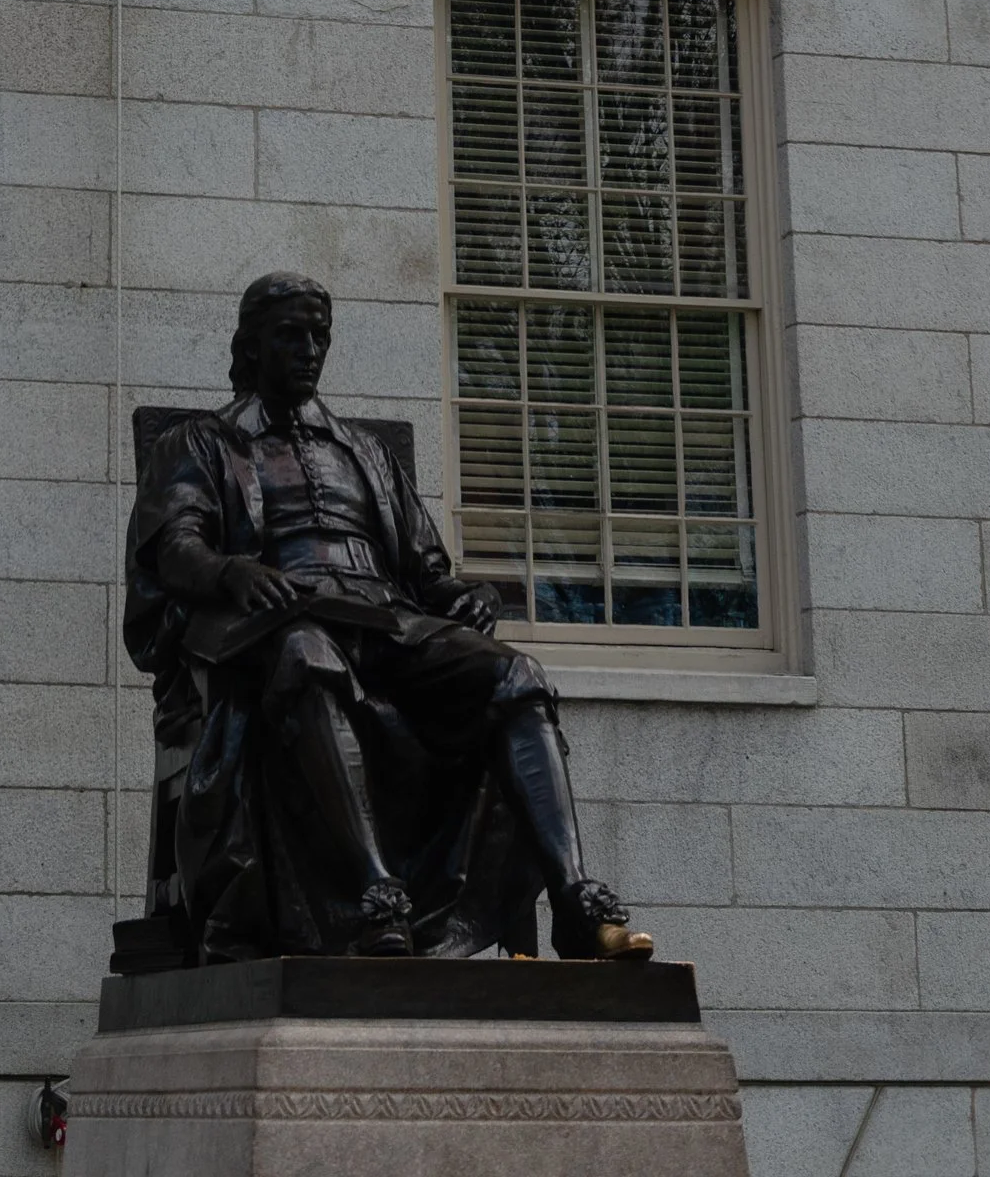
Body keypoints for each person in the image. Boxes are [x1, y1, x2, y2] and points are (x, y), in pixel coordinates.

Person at [123, 269, 654, 964]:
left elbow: (426, 569)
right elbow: (176, 545)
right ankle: (375, 897)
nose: (309, 350)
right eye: (291, 336)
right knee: (305, 653)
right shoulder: (201, 444)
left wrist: (467, 596)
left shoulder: (363, 451)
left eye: (320, 337)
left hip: (385, 620)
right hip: (282, 620)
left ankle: (575, 900)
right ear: (249, 347)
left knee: (515, 675)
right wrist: (232, 572)